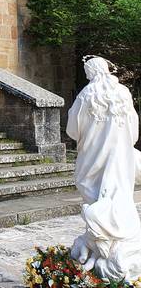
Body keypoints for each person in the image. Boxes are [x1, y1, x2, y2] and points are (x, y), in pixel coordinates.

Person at [68, 56, 141, 281]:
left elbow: (72, 129)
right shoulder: (123, 93)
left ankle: (107, 244)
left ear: (91, 71)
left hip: (92, 157)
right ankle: (112, 241)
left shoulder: (86, 94)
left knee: (94, 194)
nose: (87, 74)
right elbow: (134, 129)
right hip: (120, 158)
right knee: (119, 196)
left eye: (87, 70)